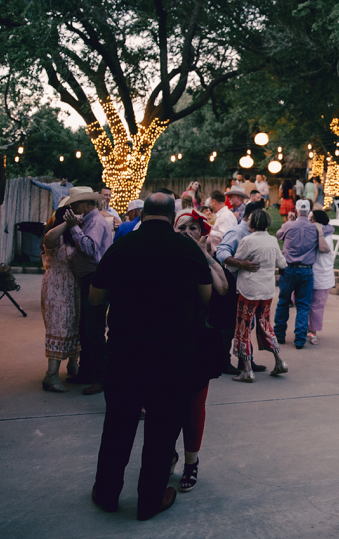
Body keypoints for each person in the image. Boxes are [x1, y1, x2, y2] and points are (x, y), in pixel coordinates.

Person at [88, 193, 212, 521]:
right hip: (173, 354)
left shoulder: (122, 247)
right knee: (162, 425)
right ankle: (150, 500)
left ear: (142, 215)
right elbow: (206, 294)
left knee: (118, 423)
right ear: (173, 217)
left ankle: (107, 493)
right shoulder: (186, 249)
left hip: (125, 351)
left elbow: (96, 297)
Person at [170, 207, 228, 493]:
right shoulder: (168, 261)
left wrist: (202, 256)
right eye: (181, 229)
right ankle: (168, 452)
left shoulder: (209, 262)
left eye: (193, 228)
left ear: (203, 234)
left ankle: (191, 463)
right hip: (168, 341)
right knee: (166, 402)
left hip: (198, 343)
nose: (187, 233)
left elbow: (222, 288)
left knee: (193, 405)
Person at [229, 209, 289, 382]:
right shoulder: (272, 240)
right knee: (265, 324)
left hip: (249, 290)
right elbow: (282, 263)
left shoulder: (247, 241)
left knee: (243, 328)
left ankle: (247, 370)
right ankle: (279, 361)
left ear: (252, 223)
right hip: (267, 291)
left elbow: (233, 266)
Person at [64, 186, 113, 396]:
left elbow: (90, 248)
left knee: (93, 330)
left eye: (76, 204)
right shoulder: (90, 220)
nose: (74, 208)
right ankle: (86, 372)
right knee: (86, 328)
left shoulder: (96, 222)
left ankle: (100, 378)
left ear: (87, 204)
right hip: (89, 279)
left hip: (96, 279)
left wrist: (74, 227)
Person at [213, 200, 271, 376]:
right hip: (234, 286)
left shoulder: (258, 233)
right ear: (251, 216)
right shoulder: (238, 232)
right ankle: (223, 363)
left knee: (247, 326)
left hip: (250, 288)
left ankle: (246, 362)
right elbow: (221, 252)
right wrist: (241, 264)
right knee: (230, 326)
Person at [39, 205, 81, 392]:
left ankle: (73, 365)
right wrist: (67, 224)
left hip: (73, 285)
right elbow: (48, 239)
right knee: (58, 325)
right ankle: (51, 375)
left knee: (75, 324)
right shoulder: (55, 234)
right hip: (55, 285)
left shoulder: (74, 234)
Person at [275, 199, 327, 349]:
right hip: (306, 270)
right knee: (303, 306)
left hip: (289, 268)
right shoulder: (315, 228)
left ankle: (279, 335)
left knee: (283, 302)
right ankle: (299, 339)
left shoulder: (288, 225)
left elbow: (279, 235)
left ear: (296, 210)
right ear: (309, 211)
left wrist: (289, 222)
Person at [307, 209, 337, 346]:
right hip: (307, 273)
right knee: (302, 302)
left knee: (317, 305)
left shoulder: (326, 234)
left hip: (322, 274)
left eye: (312, 218)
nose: (310, 221)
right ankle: (307, 327)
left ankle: (314, 332)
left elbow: (323, 249)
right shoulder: (307, 232)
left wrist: (319, 232)